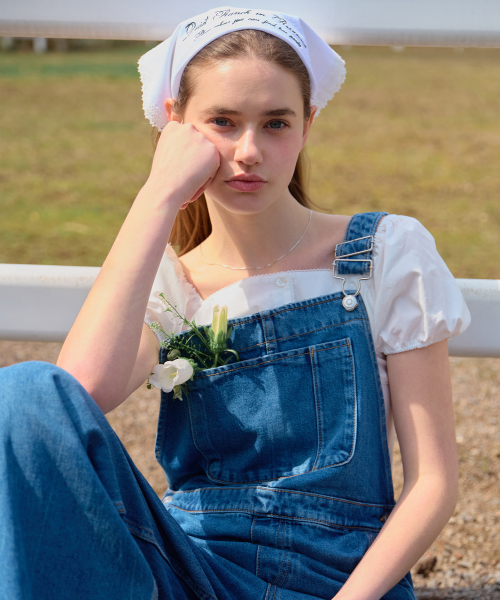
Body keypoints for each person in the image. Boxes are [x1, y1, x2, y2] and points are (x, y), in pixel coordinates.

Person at [0, 7, 471, 600]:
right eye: (222, 122)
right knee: (22, 392)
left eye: (276, 124)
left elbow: (433, 484)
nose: (249, 151)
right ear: (176, 126)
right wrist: (159, 194)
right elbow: (81, 390)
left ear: (308, 125)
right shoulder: (172, 285)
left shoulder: (382, 252)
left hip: (340, 579)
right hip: (195, 573)